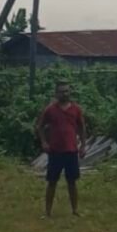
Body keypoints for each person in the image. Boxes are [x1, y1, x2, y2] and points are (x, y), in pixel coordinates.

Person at [36, 80, 87, 218]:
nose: (64, 94)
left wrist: (83, 145)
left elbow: (82, 128)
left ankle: (75, 210)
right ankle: (47, 212)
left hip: (71, 151)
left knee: (72, 182)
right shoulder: (50, 109)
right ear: (56, 93)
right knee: (52, 182)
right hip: (55, 151)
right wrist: (44, 142)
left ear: (70, 92)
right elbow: (39, 126)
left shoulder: (76, 109)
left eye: (66, 91)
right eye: (61, 91)